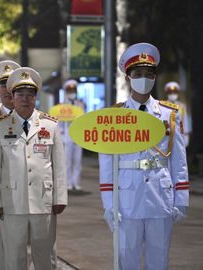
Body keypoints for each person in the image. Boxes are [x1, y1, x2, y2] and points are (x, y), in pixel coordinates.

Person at [99, 43, 189, 270]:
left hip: (161, 197)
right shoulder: (114, 116)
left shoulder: (169, 114)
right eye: (138, 74)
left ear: (155, 78)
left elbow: (179, 161)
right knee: (125, 260)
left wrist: (182, 199)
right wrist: (109, 205)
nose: (144, 78)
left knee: (158, 261)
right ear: (128, 78)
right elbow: (107, 164)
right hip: (126, 200)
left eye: (149, 74)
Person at [0, 67, 67, 270]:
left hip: (43, 201)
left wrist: (60, 198)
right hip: (12, 203)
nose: (25, 99)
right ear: (12, 97)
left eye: (30, 95)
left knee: (44, 256)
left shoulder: (50, 126)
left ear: (35, 97)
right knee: (14, 257)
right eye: (20, 94)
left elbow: (58, 165)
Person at [60, 79, 84, 191]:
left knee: (78, 161)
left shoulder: (80, 104)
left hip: (78, 136)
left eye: (73, 89)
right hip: (67, 136)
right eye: (69, 90)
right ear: (66, 91)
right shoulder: (62, 106)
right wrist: (61, 136)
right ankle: (68, 183)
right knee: (67, 161)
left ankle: (76, 182)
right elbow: (60, 123)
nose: (72, 91)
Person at [164, 81, 191, 147]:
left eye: (174, 92)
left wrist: (186, 134)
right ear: (167, 93)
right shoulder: (163, 104)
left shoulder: (182, 106)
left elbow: (185, 121)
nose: (172, 94)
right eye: (170, 92)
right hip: (168, 133)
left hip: (179, 133)